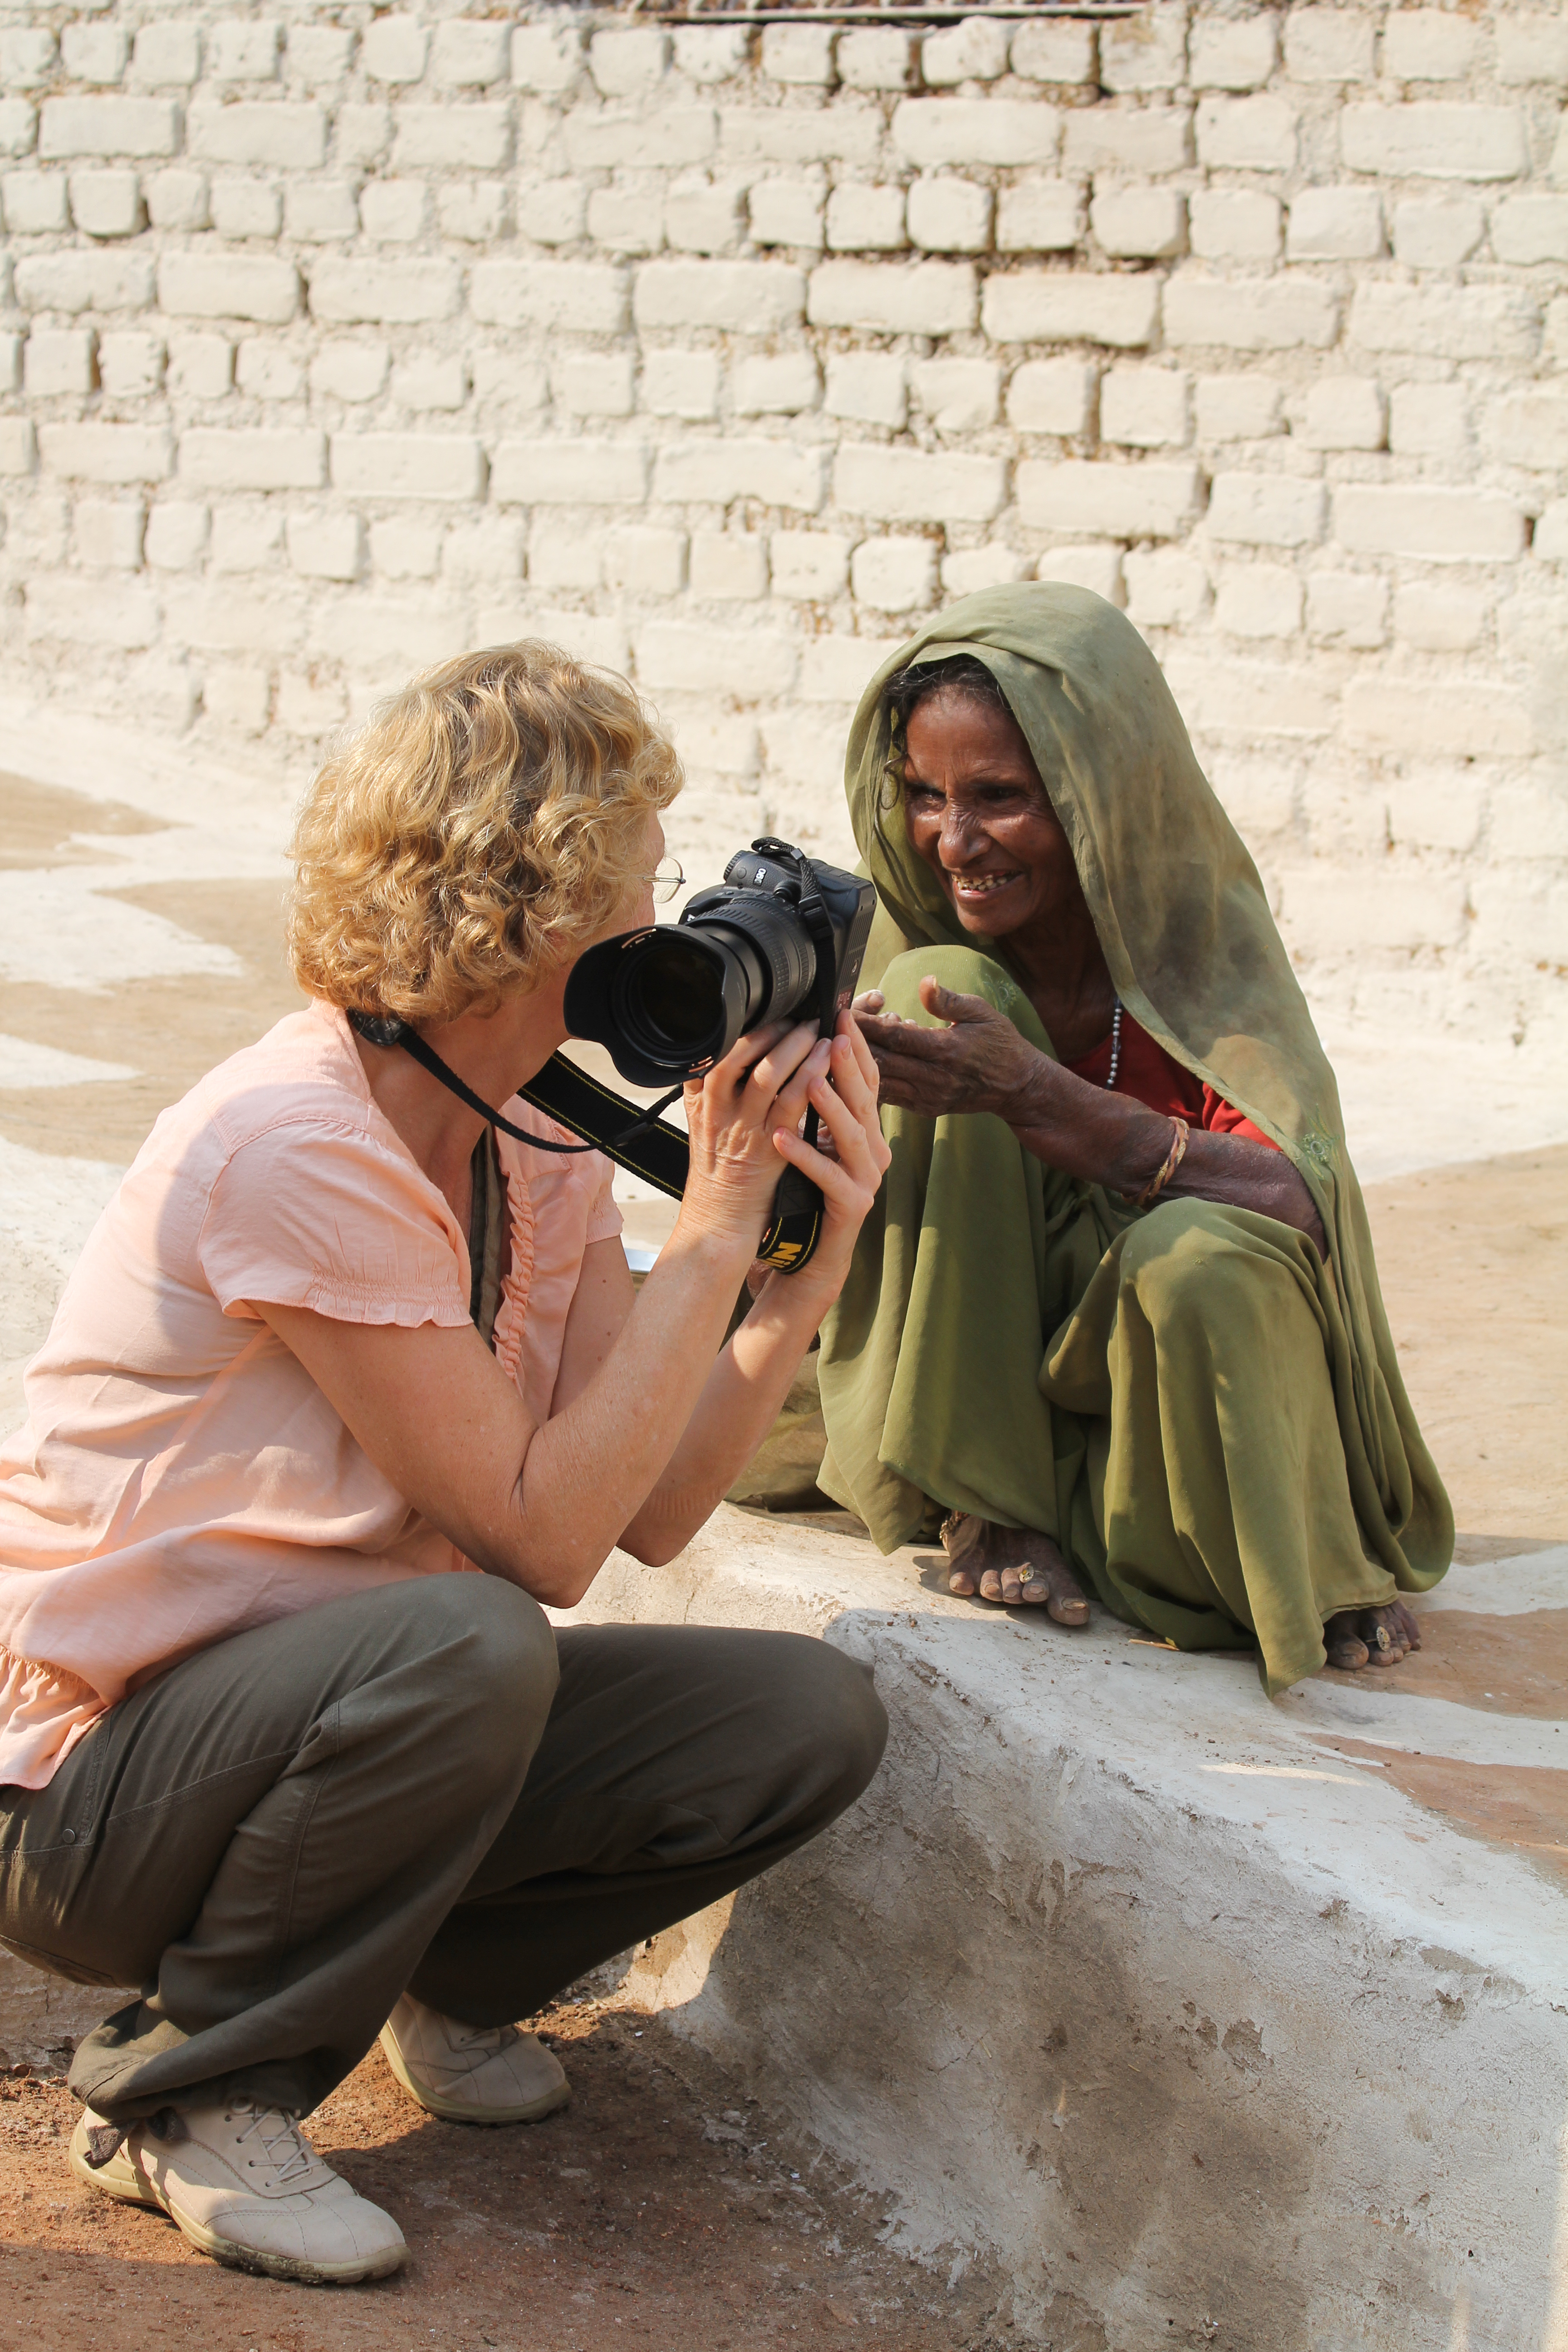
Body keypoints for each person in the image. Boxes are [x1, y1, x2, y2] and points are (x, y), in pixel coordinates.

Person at [0, 642, 890, 2286]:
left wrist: (797, 1268)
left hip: (317, 1735)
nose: (670, 931)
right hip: (95, 1791)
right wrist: (702, 1235)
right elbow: (544, 1544)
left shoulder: (518, 1134)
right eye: (637, 883)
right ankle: (185, 2097)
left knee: (798, 1719)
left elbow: (656, 1511)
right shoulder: (300, 1142)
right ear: (529, 904)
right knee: (473, 1637)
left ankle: (438, 1969)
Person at [816, 583, 1451, 1695]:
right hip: (963, 1362)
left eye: (1001, 798)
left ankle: (1238, 1535)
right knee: (935, 985)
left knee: (1205, 1257)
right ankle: (992, 1503)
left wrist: (1042, 1101)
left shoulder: (1196, 950)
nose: (954, 842)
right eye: (925, 795)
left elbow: (1297, 1204)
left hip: (1143, 1366)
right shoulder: (903, 946)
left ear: (1098, 796)